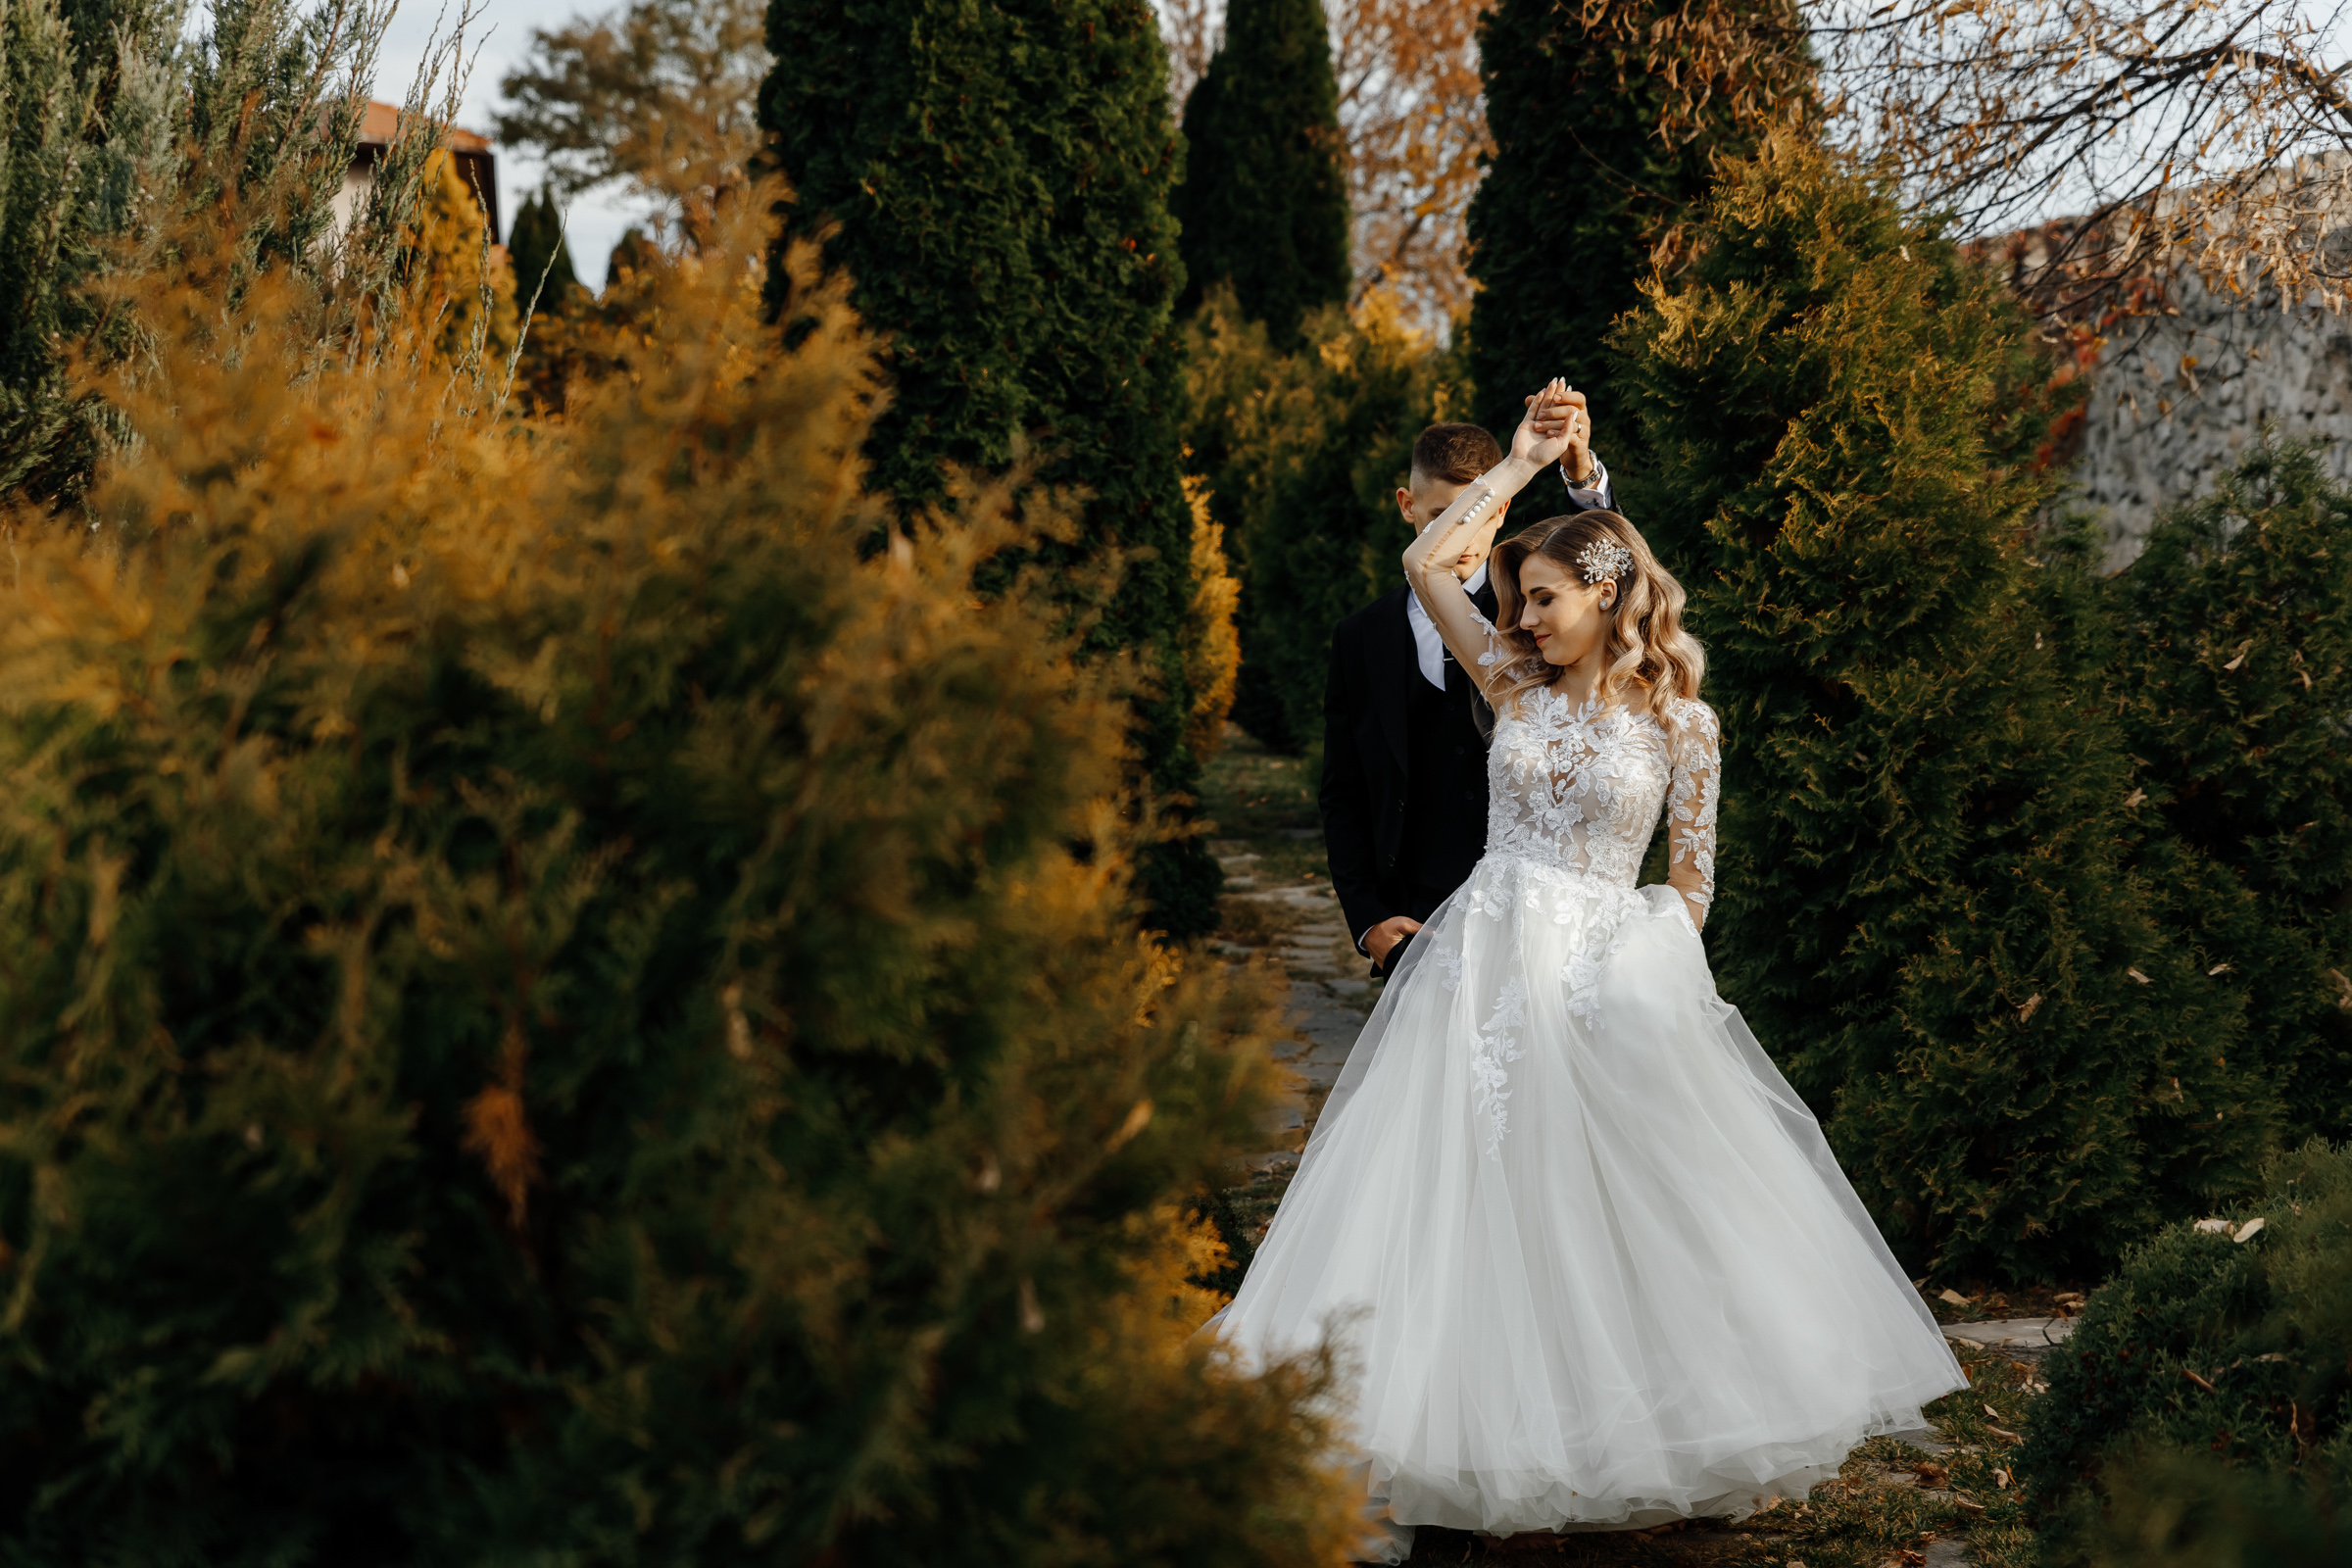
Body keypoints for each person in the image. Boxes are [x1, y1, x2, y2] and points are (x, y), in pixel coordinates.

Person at [1211, 382, 1965, 1560]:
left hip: (1611, 978)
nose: (1521, 617)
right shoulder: (1508, 684)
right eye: (1516, 600)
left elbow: (1693, 879)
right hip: (1483, 971)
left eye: (1543, 598)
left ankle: (1655, 1438)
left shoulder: (1682, 723)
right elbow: (1425, 565)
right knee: (1462, 1201)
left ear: (1607, 593)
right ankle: (1449, 1461)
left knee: (1625, 1214)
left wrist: (1645, 968)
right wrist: (1519, 464)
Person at [1321, 410, 1614, 980]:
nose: (1457, 537)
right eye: (1441, 518)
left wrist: (1581, 475)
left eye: (1473, 516)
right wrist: (1367, 920)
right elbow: (1343, 788)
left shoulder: (1541, 615)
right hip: (1415, 920)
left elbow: (1610, 579)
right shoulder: (1359, 637)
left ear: (1499, 510)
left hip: (1536, 911)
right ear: (1407, 506)